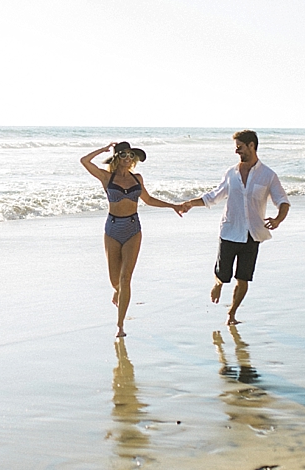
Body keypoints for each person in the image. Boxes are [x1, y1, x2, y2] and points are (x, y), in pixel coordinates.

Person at [180, 130, 290, 325]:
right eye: (236, 147)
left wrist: (278, 219)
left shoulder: (268, 175)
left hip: (253, 234)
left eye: (239, 147)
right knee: (223, 273)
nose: (236, 151)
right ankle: (218, 283)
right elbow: (213, 196)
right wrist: (190, 203)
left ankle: (231, 314)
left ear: (251, 146)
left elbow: (283, 201)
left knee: (243, 277)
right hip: (230, 231)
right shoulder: (231, 173)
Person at [81, 141, 185, 337]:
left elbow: (149, 200)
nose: (128, 159)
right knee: (115, 280)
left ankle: (120, 325)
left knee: (126, 277)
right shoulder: (107, 178)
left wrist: (172, 205)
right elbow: (84, 161)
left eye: (131, 156)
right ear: (116, 158)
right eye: (124, 155)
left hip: (133, 228)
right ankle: (117, 290)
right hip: (112, 228)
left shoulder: (137, 178)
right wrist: (103, 150)